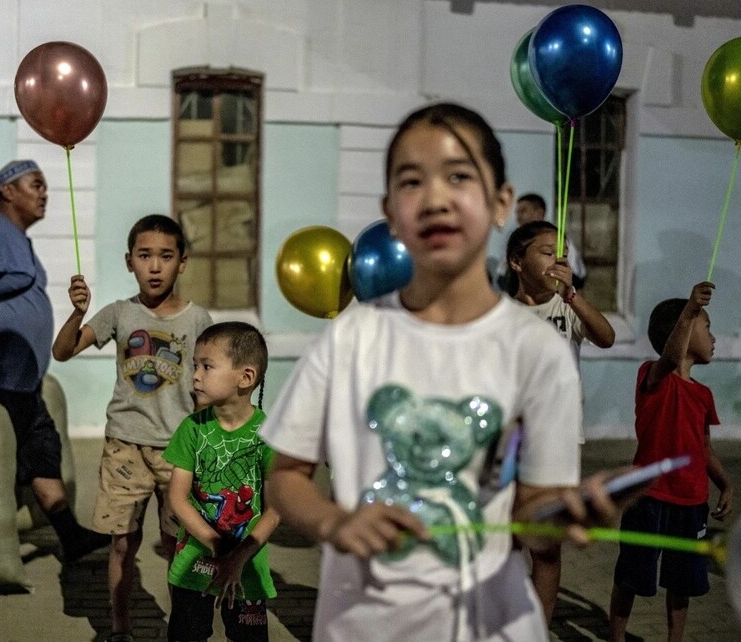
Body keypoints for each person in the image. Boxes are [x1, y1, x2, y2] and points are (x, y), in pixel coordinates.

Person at [261, 103, 628, 641]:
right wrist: (335, 522)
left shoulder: (537, 351)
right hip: (362, 625)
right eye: (412, 181)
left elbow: (533, 511)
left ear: (502, 203)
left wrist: (572, 513)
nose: (435, 198)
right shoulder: (352, 338)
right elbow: (286, 476)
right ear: (391, 210)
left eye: (459, 176)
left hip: (489, 625)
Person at [52, 214, 213, 642]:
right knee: (122, 543)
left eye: (165, 256)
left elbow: (209, 384)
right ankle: (120, 628)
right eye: (145, 256)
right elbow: (63, 350)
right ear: (129, 261)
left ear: (183, 262)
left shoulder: (199, 321)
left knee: (178, 543)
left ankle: (183, 627)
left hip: (180, 450)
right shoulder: (119, 313)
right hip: (125, 446)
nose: (155, 266)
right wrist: (77, 312)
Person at [0, 160, 106, 563]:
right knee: (6, 459)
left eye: (45, 187)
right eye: (35, 185)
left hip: (21, 379)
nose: (44, 194)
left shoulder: (17, 237)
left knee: (40, 448)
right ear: (8, 191)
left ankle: (70, 537)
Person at [608, 281, 733, 642]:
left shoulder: (703, 394)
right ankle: (615, 636)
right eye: (706, 327)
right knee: (632, 574)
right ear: (682, 330)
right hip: (648, 498)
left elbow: (703, 447)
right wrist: (691, 309)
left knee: (683, 583)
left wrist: (725, 482)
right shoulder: (652, 376)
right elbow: (669, 359)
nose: (713, 338)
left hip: (692, 504)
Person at [505, 219, 616, 622]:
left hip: (558, 440)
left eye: (561, 253)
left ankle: (540, 627)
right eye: (547, 252)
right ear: (517, 262)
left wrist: (573, 295)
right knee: (509, 539)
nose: (557, 259)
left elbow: (605, 337)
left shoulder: (564, 306)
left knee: (546, 545)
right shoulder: (502, 314)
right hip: (512, 441)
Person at [163, 322, 279, 642]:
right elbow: (177, 498)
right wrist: (215, 545)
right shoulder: (191, 428)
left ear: (246, 377)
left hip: (247, 571)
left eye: (207, 366)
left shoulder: (269, 434)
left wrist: (238, 558)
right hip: (194, 565)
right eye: (195, 366)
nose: (196, 375)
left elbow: (275, 509)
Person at [495, 193, 586, 291]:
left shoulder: (560, 240)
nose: (518, 217)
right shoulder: (514, 242)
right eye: (517, 213)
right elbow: (502, 277)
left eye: (523, 211)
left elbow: (578, 278)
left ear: (539, 213)